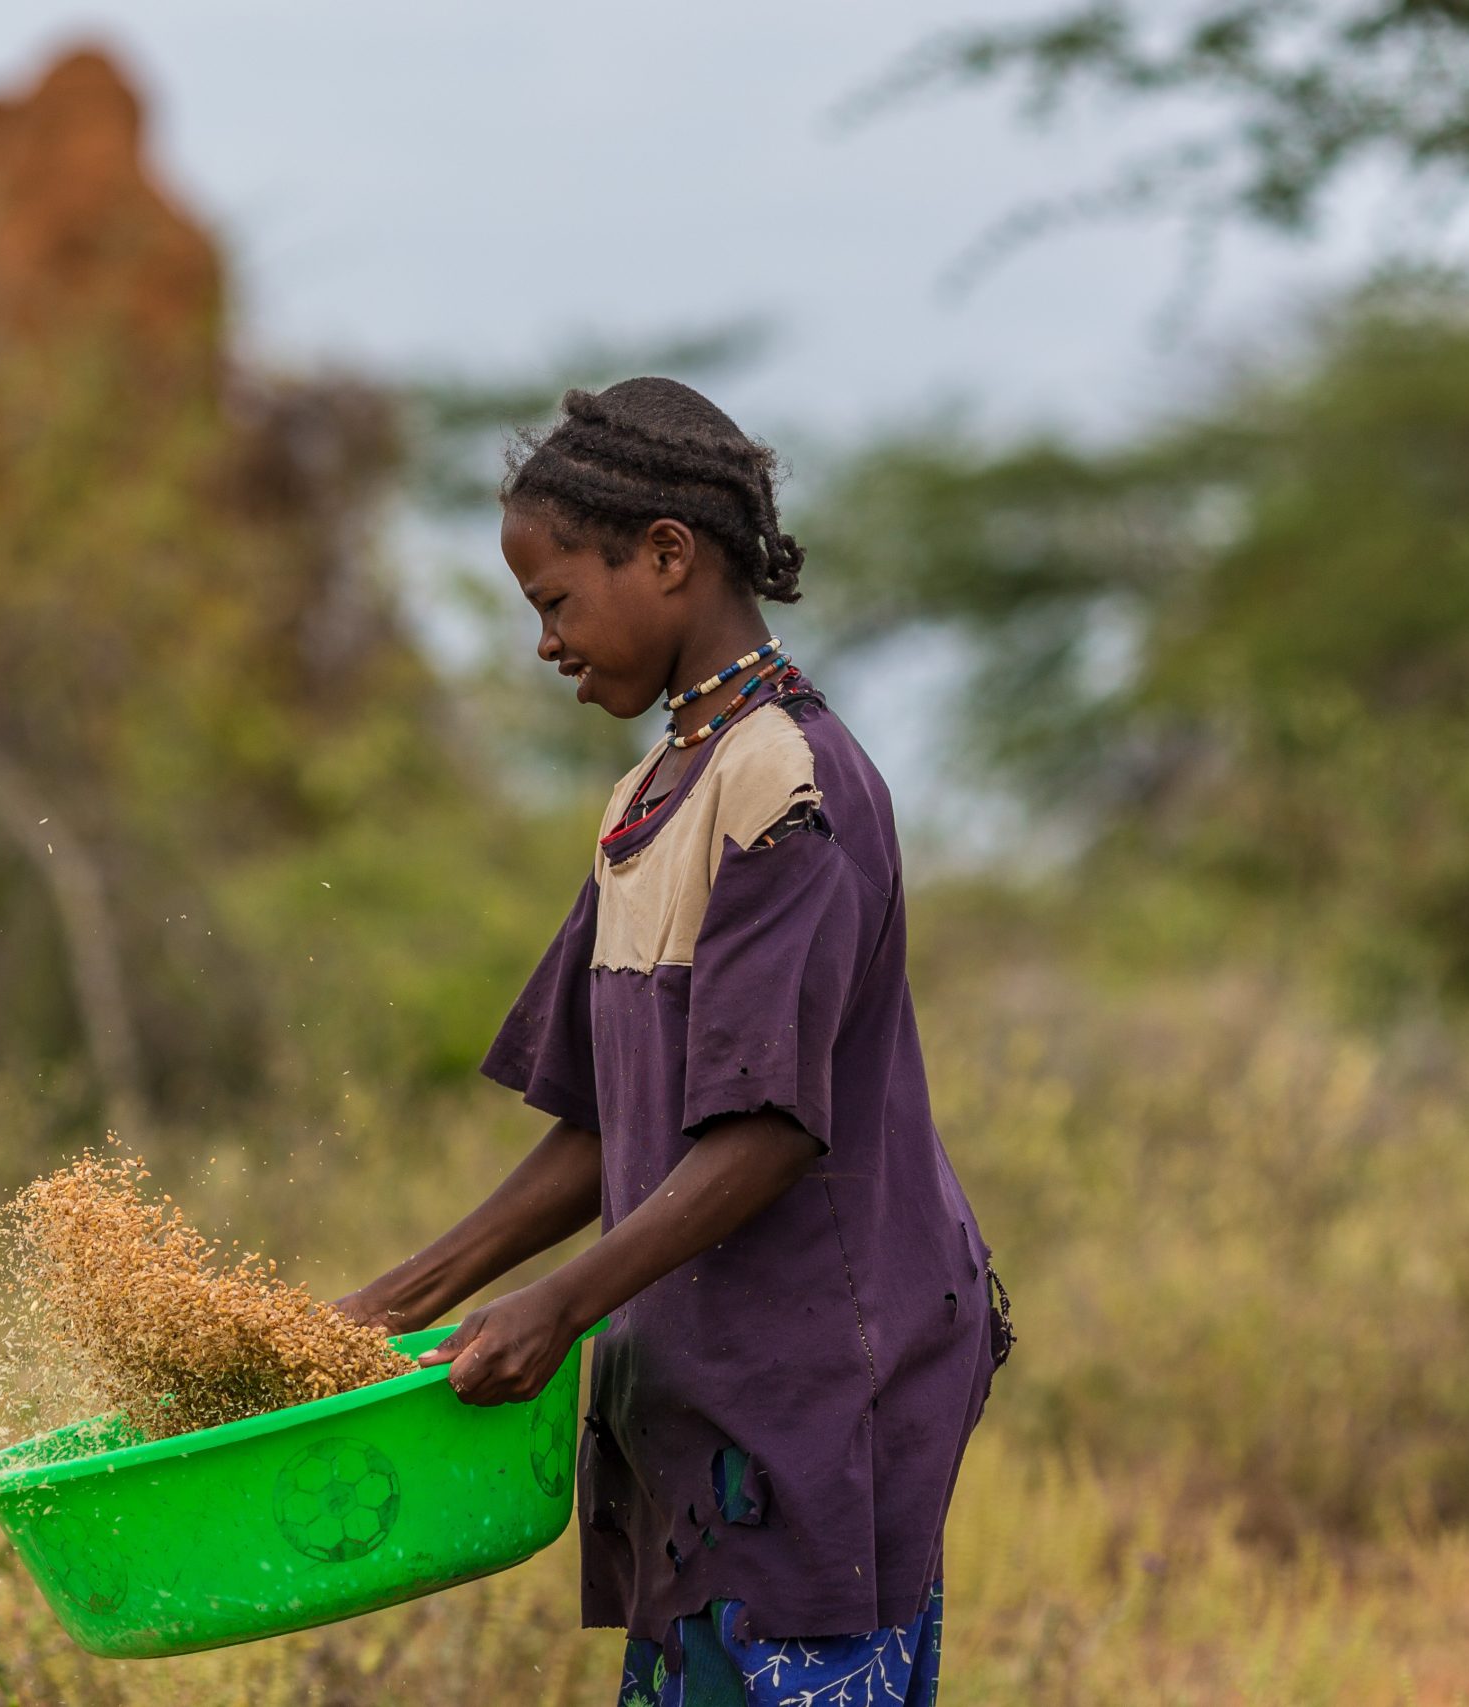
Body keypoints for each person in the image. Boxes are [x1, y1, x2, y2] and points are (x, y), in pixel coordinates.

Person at [338, 378, 1009, 1707]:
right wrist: (388, 1310)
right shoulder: (649, 800)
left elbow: (763, 1133)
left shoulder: (787, 782)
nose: (545, 644)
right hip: (700, 1412)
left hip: (816, 1396)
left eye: (553, 602)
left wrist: (563, 1303)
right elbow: (601, 1128)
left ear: (664, 555)